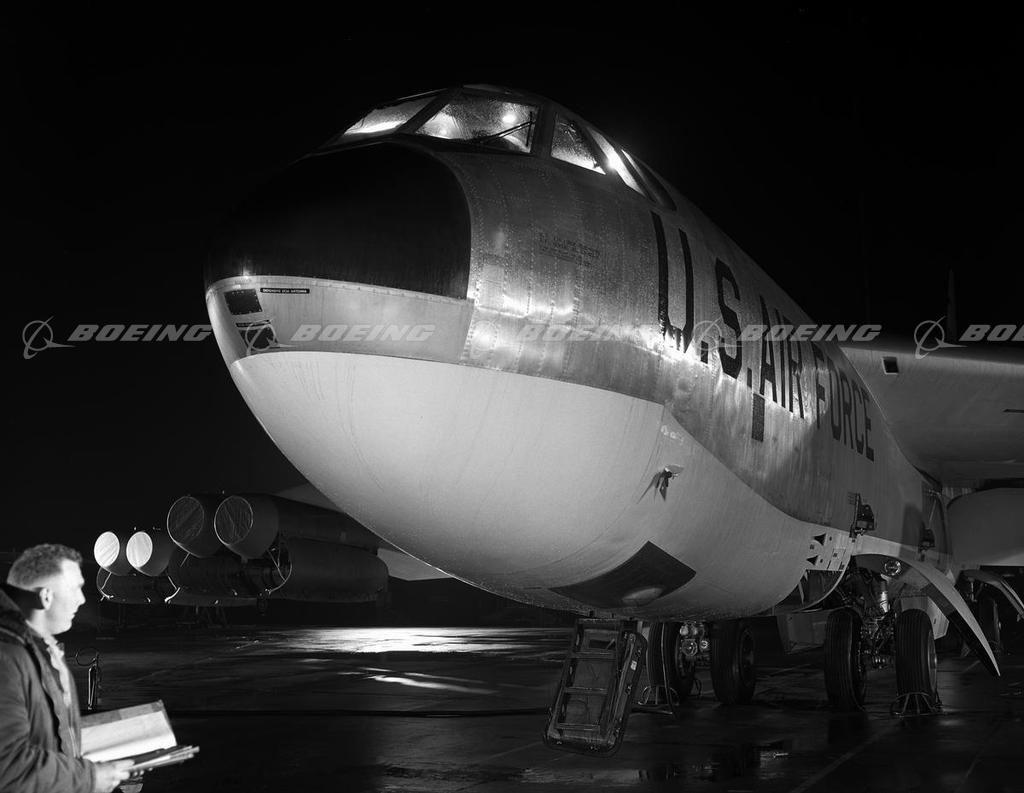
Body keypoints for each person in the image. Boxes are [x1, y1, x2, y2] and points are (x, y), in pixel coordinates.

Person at [0, 544, 133, 793]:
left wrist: (116, 754)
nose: (82, 599)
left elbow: (46, 734)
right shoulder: (7, 659)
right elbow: (8, 768)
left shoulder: (39, 649)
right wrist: (91, 778)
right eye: (75, 589)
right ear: (45, 596)